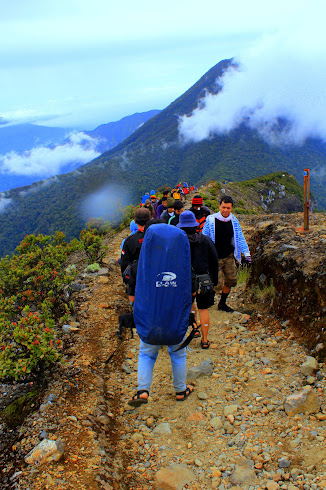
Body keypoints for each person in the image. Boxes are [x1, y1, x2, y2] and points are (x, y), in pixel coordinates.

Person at [128, 223, 194, 406]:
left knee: (147, 354)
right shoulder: (183, 264)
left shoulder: (139, 266)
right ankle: (180, 390)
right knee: (178, 354)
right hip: (175, 320)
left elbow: (133, 296)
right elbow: (191, 292)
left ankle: (143, 390)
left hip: (150, 320)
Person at [202, 195, 251, 313]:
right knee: (216, 283)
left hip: (229, 255)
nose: (225, 210)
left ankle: (222, 303)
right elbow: (204, 238)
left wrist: (247, 253)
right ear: (219, 206)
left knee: (231, 280)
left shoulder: (234, 221)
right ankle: (208, 303)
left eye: (228, 208)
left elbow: (239, 238)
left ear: (232, 208)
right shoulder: (210, 220)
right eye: (223, 207)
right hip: (215, 257)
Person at [177, 211, 219, 349]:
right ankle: (205, 340)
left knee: (188, 306)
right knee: (204, 309)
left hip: (185, 281)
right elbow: (214, 260)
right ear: (195, 225)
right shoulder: (205, 240)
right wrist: (214, 280)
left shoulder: (178, 241)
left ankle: (193, 329)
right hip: (204, 280)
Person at [120, 207, 151, 303]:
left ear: (135, 220)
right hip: (154, 278)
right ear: (150, 219)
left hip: (136, 280)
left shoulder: (130, 240)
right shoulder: (155, 237)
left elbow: (124, 263)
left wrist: (127, 281)